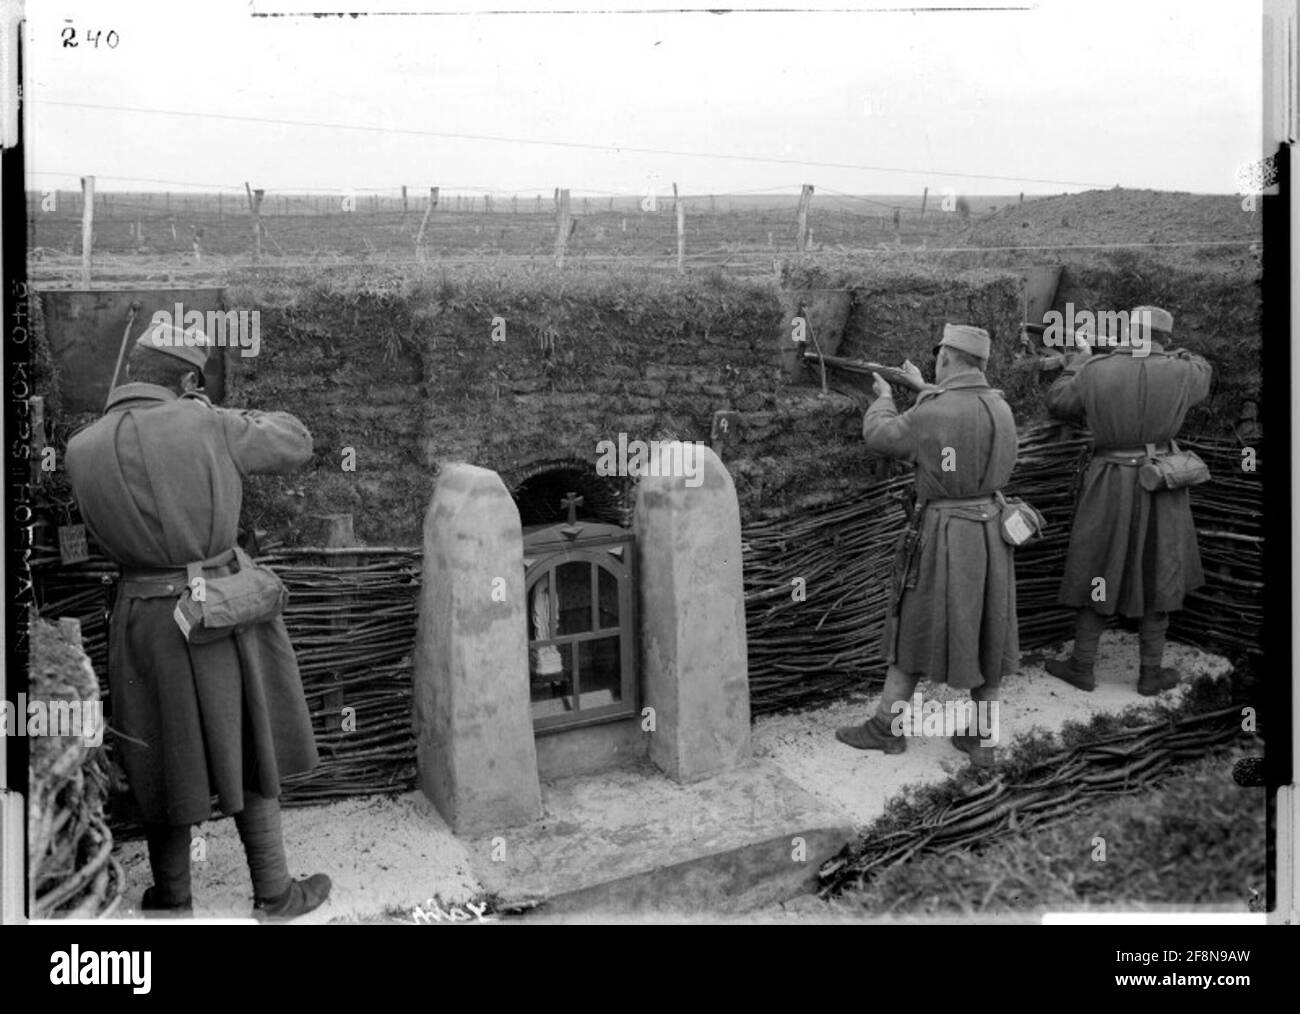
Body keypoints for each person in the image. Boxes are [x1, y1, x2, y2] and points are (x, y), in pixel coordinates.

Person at [65, 322, 330, 920]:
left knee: (163, 756)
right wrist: (212, 409)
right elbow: (296, 442)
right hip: (218, 608)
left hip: (141, 621)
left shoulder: (81, 448)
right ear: (187, 380)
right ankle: (274, 894)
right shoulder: (207, 421)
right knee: (250, 742)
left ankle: (173, 903)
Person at [835, 324, 1020, 767]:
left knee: (913, 624)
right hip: (992, 532)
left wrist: (883, 397)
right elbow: (959, 409)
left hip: (945, 533)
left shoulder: (936, 411)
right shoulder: (999, 406)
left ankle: (887, 728)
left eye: (940, 358)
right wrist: (923, 388)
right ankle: (981, 737)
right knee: (988, 630)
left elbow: (882, 437)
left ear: (947, 358)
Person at [1043, 306, 1212, 696]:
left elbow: (1058, 402)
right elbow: (1202, 367)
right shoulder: (1184, 370)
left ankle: (1082, 666)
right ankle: (1150, 673)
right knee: (1158, 566)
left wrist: (1081, 359)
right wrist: (1167, 353)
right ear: (1164, 339)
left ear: (1126, 331)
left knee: (1097, 566)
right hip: (1162, 481)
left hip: (1109, 482)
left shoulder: (1096, 369)